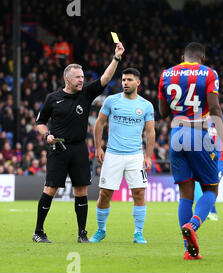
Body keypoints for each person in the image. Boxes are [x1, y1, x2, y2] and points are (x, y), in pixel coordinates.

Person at [32, 42, 125, 243]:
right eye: (78, 77)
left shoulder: (86, 93)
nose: (82, 80)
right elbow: (39, 122)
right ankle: (38, 232)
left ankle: (82, 234)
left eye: (83, 77)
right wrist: (46, 134)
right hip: (58, 148)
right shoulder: (52, 98)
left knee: (81, 190)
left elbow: (106, 78)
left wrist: (116, 57)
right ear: (67, 78)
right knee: (50, 189)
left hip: (79, 148)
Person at [158, 42, 223, 260]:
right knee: (211, 189)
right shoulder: (208, 73)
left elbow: (162, 111)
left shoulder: (166, 74)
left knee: (185, 194)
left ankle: (188, 249)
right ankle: (193, 225)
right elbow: (216, 107)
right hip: (198, 133)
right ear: (203, 58)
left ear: (183, 56)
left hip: (175, 134)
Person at [89, 68, 155, 244]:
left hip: (135, 156)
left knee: (139, 193)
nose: (125, 83)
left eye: (129, 80)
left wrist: (148, 156)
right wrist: (98, 147)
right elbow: (99, 123)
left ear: (138, 83)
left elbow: (150, 131)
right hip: (112, 155)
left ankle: (138, 233)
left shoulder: (146, 105)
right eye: (124, 80)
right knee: (104, 194)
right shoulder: (112, 101)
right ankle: (101, 230)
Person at [193, 115, 223, 221]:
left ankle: (210, 211)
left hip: (219, 158)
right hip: (204, 157)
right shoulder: (200, 117)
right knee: (205, 185)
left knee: (214, 184)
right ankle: (209, 211)